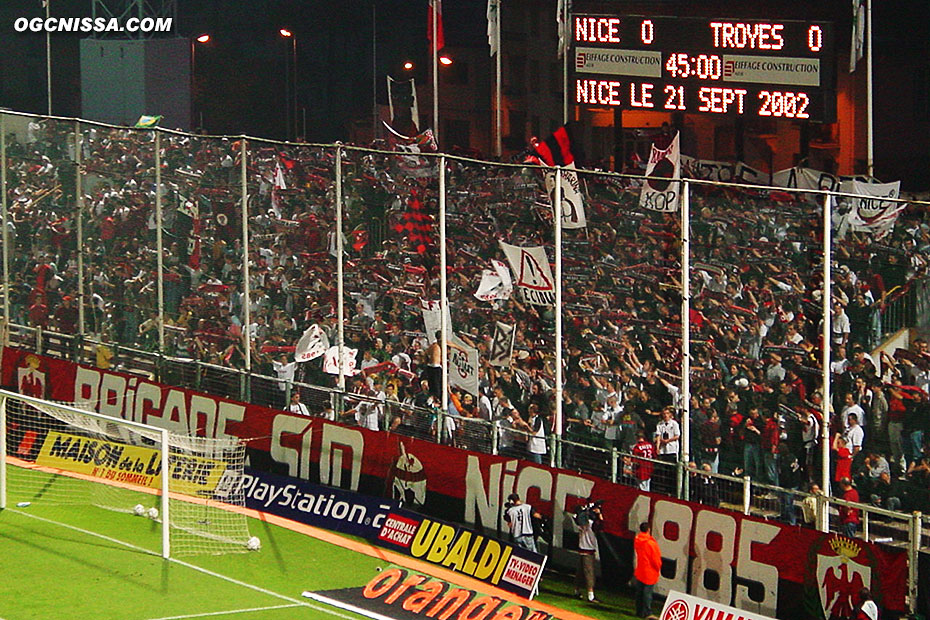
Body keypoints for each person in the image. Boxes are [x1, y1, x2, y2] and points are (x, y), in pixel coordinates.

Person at [573, 500, 602, 603]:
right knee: (589, 573)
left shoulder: (579, 522)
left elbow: (578, 517)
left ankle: (576, 590)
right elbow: (601, 524)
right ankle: (591, 595)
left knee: (580, 573)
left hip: (582, 548)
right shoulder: (590, 523)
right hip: (588, 550)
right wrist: (598, 514)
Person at [633, 521, 662, 618]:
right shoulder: (651, 543)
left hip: (640, 569)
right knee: (647, 594)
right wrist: (658, 568)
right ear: (649, 530)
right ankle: (647, 612)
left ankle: (639, 611)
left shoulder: (637, 540)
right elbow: (655, 559)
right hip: (650, 571)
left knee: (639, 593)